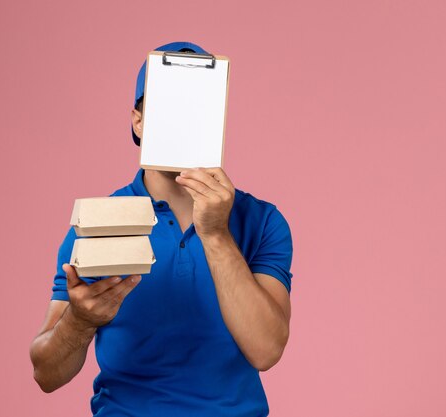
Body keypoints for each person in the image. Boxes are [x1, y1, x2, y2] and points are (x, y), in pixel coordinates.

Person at [29, 41, 294, 416]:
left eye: (197, 105)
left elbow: (266, 350)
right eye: (168, 104)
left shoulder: (262, 220)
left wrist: (216, 234)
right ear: (138, 120)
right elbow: (46, 373)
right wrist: (80, 320)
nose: (183, 118)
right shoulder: (98, 223)